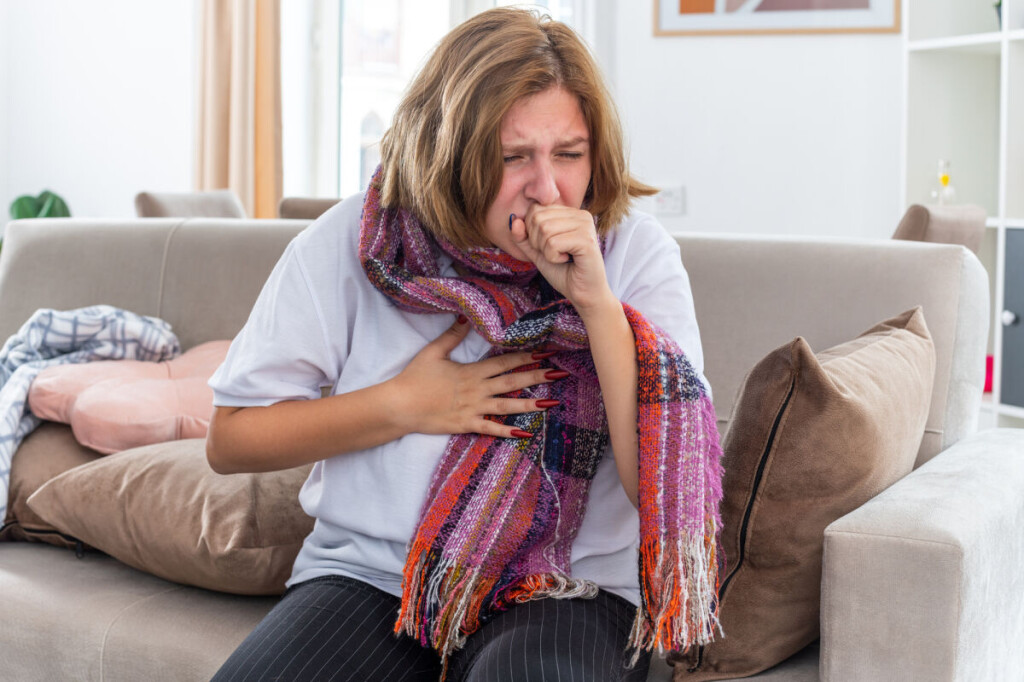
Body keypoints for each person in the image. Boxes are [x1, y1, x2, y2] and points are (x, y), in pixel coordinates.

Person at [207, 8, 723, 682]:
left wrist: (597, 305)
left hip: (570, 585)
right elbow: (231, 439)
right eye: (512, 158)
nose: (547, 189)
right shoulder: (351, 243)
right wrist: (403, 405)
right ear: (447, 154)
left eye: (569, 154)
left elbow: (653, 485)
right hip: (376, 577)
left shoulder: (634, 255)